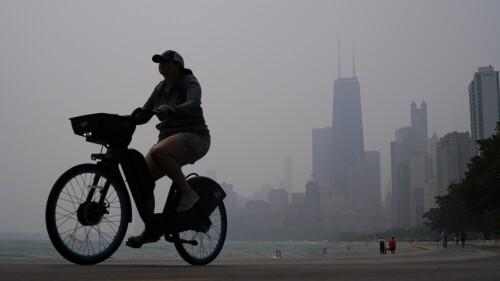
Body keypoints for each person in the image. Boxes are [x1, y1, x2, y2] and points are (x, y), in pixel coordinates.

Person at [127, 50, 211, 247]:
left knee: (158, 152)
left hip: (194, 136)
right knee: (142, 180)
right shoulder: (159, 89)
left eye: (165, 62)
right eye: (159, 62)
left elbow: (194, 103)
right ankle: (150, 231)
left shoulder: (189, 81)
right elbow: (144, 114)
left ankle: (189, 194)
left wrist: (173, 109)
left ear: (177, 65)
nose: (161, 65)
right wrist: (129, 118)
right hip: (168, 138)